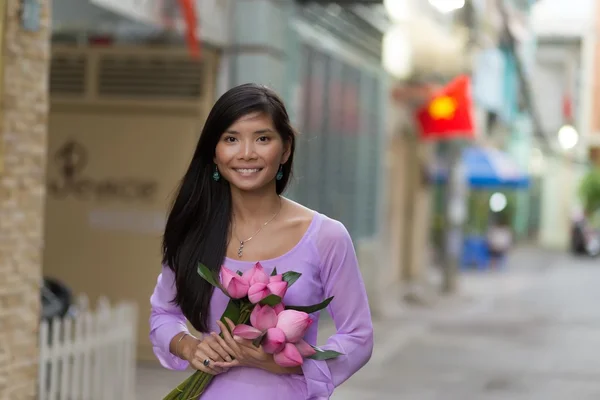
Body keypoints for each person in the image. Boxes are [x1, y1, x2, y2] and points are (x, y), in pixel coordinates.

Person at [149, 83, 374, 399]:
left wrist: (288, 362)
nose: (246, 153)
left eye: (262, 138)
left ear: (285, 149)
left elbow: (358, 336)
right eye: (231, 139)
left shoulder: (326, 237)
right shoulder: (194, 232)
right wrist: (190, 347)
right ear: (214, 153)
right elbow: (163, 314)